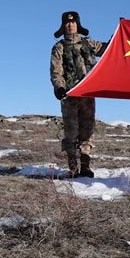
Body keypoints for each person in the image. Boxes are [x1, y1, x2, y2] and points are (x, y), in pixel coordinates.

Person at [50, 11, 108, 178]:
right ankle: (73, 168)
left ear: (78, 24)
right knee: (71, 131)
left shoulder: (88, 43)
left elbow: (107, 50)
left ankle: (85, 166)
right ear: (63, 26)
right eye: (67, 23)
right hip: (69, 95)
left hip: (88, 94)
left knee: (87, 130)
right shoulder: (59, 47)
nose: (70, 25)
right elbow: (56, 71)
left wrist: (119, 36)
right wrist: (59, 87)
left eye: (73, 22)